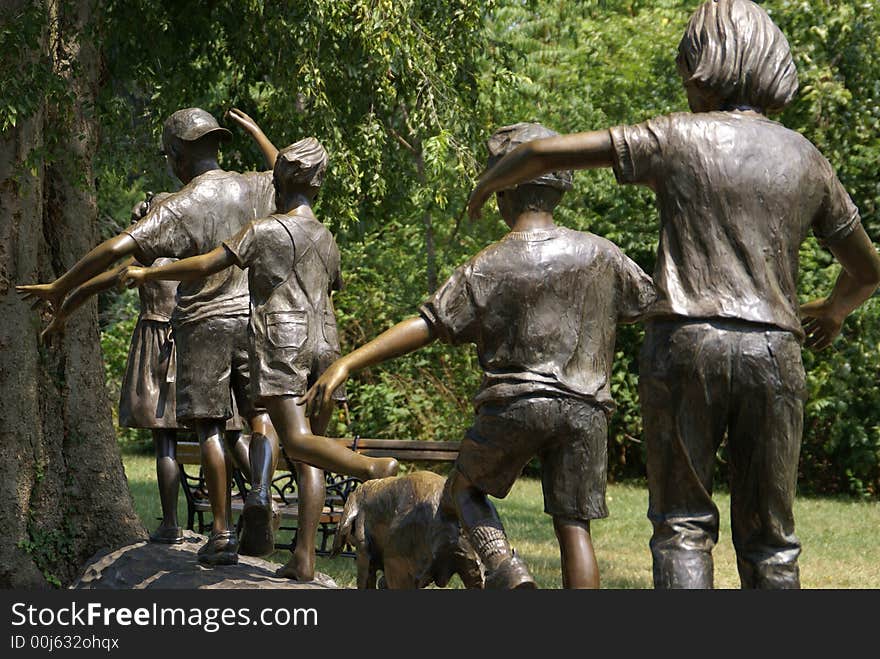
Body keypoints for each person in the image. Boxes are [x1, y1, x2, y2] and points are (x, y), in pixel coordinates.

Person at [465, 0, 880, 589]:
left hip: (686, 345)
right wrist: (833, 310)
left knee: (682, 525)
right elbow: (867, 270)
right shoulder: (806, 158)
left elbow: (540, 153)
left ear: (704, 64)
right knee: (772, 543)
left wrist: (488, 184)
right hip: (774, 355)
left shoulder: (676, 136)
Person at [300, 122, 656, 589]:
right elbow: (651, 305)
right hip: (587, 411)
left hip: (514, 405)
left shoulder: (486, 265)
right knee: (574, 525)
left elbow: (426, 325)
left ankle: (508, 572)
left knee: (463, 488)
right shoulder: (602, 254)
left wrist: (349, 361)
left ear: (503, 192)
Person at [18, 107, 292, 566]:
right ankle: (262, 490)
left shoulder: (180, 205)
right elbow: (289, 170)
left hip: (205, 323)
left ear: (177, 157)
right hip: (254, 318)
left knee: (209, 428)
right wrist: (260, 133)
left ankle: (222, 532)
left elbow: (116, 249)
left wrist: (61, 285)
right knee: (259, 414)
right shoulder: (254, 186)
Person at [120, 137, 399, 580]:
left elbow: (201, 266)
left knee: (299, 442)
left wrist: (150, 271)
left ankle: (371, 468)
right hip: (327, 343)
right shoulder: (327, 238)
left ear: (279, 181)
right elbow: (330, 291)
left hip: (283, 343)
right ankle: (303, 556)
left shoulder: (265, 230)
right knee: (311, 456)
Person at [40, 193, 251, 545]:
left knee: (165, 441)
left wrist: (62, 315)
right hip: (199, 338)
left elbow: (92, 285)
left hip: (156, 346)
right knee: (226, 432)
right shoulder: (196, 254)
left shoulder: (143, 260)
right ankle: (259, 496)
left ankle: (171, 524)